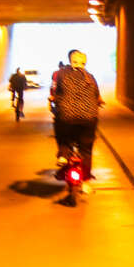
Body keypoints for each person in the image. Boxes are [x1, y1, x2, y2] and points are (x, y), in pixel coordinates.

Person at [49, 49, 103, 194]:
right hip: (88, 119)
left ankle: (63, 154)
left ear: (70, 61)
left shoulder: (60, 74)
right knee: (86, 150)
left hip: (66, 117)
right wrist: (98, 102)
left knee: (62, 134)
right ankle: (86, 183)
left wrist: (55, 99)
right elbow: (97, 96)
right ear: (85, 63)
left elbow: (55, 92)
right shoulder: (90, 77)